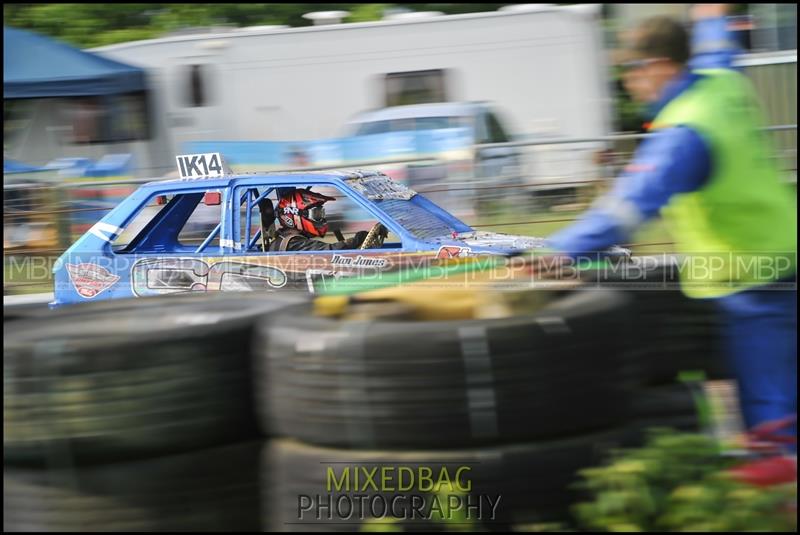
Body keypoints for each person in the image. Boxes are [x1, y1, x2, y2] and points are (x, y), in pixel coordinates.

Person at [545, 5, 797, 443]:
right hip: (783, 257)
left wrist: (553, 255)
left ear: (660, 66)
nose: (628, 81)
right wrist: (710, 16)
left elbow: (627, 208)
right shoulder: (722, 82)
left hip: (755, 285)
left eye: (632, 69)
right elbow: (719, 45)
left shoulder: (684, 132)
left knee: (772, 417)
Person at [270, 188, 368, 252]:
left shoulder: (290, 239)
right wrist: (358, 239)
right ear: (294, 214)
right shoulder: (293, 243)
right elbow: (330, 252)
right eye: (316, 214)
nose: (321, 219)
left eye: (321, 213)